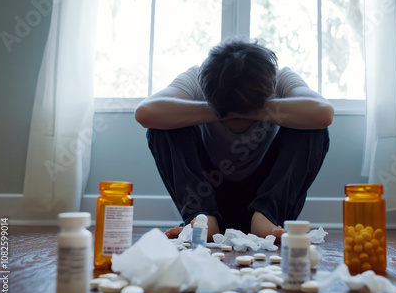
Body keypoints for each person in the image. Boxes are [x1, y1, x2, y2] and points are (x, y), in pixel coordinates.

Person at [135, 38, 333, 243]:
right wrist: (217, 110)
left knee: (314, 128)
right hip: (209, 195)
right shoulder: (197, 77)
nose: (238, 122)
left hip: (266, 198)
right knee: (161, 128)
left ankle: (265, 219)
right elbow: (145, 112)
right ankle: (203, 219)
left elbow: (324, 112)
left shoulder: (280, 78)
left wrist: (253, 109)